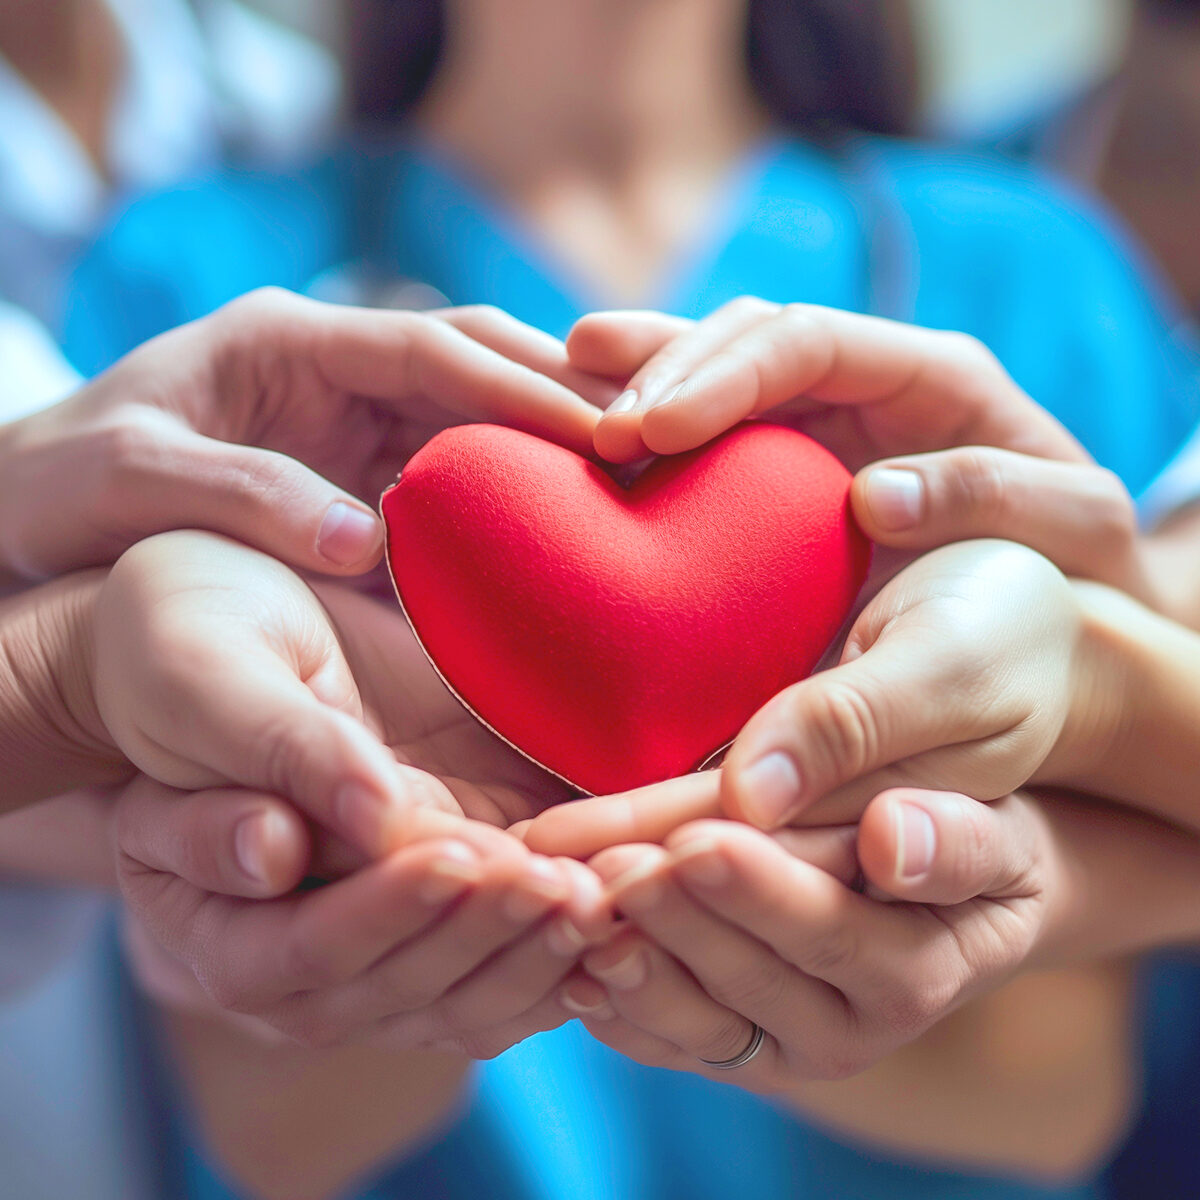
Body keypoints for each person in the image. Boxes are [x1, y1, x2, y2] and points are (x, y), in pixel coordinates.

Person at [34, 0, 1200, 1196]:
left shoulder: (1034, 267)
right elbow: (271, 1131)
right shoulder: (188, 274)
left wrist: (804, 968)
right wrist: (368, 948)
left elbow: (1061, 1101)